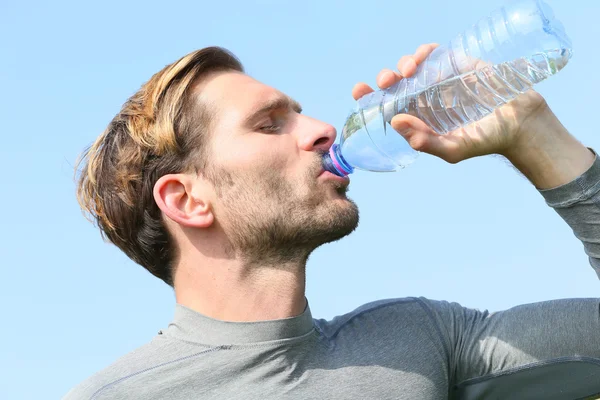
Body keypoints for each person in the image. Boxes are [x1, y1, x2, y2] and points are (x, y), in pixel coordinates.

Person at [64, 44, 600, 400]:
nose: (322, 129)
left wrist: (538, 138)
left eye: (300, 114)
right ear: (187, 199)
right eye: (269, 125)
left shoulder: (419, 339)